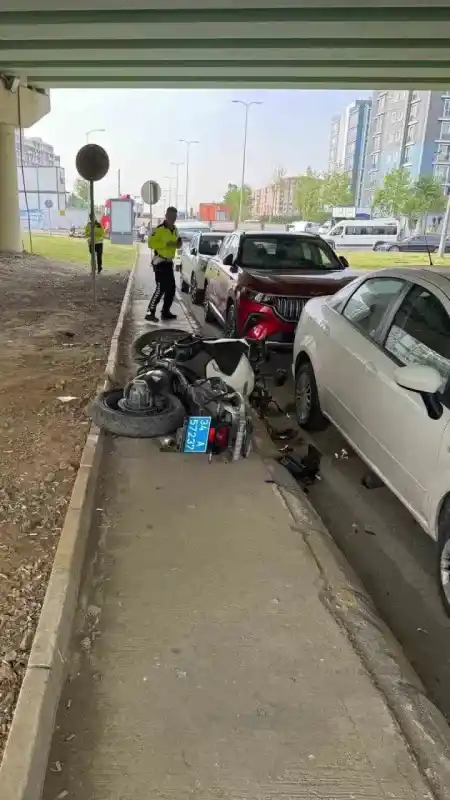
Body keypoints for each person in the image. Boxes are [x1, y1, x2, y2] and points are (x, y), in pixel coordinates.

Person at [146, 206, 181, 322]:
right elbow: (150, 244)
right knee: (161, 288)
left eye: (175, 217)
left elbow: (175, 243)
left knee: (171, 289)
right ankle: (150, 312)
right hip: (160, 262)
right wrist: (166, 244)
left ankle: (165, 311)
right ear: (166, 216)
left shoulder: (175, 230)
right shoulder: (159, 229)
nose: (173, 219)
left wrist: (177, 244)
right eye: (171, 217)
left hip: (169, 262)